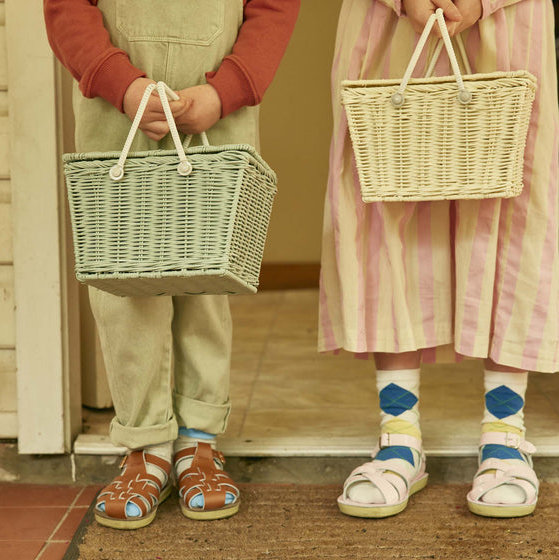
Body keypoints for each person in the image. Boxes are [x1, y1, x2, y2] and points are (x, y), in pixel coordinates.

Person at [44, 0, 300, 529]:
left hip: (217, 109)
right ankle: (146, 443)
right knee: (125, 283)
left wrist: (225, 91)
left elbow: (274, 8)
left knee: (206, 279)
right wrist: (122, 83)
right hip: (118, 111)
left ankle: (199, 441)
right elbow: (66, 8)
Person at [320, 0, 558, 518]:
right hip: (389, 16)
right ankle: (399, 435)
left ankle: (505, 433)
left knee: (514, 200)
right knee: (385, 196)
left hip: (508, 17)